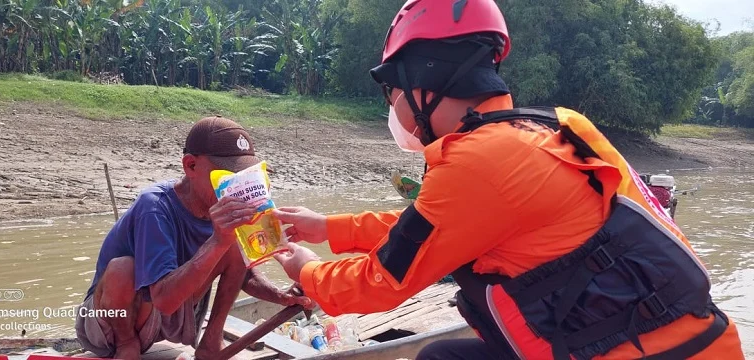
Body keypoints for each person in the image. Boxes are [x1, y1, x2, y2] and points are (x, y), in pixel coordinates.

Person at [272, 0, 745, 359]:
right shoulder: (550, 126)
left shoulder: (479, 162)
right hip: (688, 337)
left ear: (423, 81)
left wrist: (306, 269)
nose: (392, 105)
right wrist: (329, 228)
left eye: (391, 90)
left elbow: (380, 282)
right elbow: (436, 226)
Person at [75, 116, 311, 360]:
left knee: (232, 244)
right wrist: (218, 240)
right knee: (122, 268)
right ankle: (127, 344)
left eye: (244, 177)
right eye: (226, 176)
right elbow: (164, 300)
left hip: (167, 315)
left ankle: (211, 340)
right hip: (111, 323)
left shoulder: (223, 207)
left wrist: (280, 296)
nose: (236, 186)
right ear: (191, 166)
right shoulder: (155, 207)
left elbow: (243, 275)